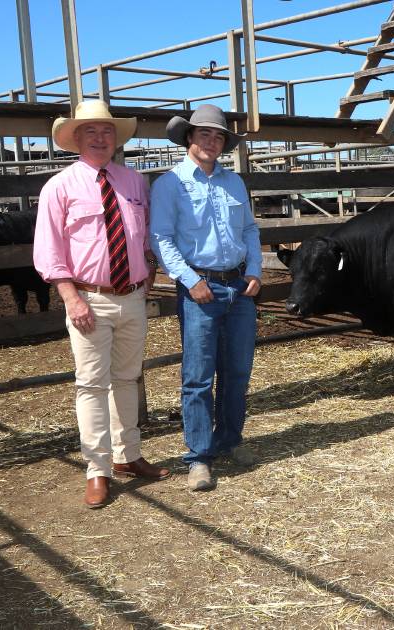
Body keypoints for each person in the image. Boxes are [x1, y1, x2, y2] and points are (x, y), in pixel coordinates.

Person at [34, 100, 169, 509]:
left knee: (128, 377)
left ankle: (128, 455)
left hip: (131, 296)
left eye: (106, 130)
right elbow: (48, 249)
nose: (99, 137)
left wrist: (148, 273)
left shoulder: (134, 183)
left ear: (116, 137)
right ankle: (97, 469)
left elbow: (144, 238)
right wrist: (70, 296)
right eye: (90, 131)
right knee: (92, 384)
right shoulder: (59, 186)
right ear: (75, 138)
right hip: (88, 298)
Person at [150, 104, 263, 492]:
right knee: (198, 377)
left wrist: (255, 271)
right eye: (205, 135)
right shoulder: (170, 184)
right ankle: (199, 457)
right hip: (201, 289)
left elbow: (249, 229)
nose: (212, 142)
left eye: (218, 137)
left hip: (238, 287)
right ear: (189, 138)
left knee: (236, 371)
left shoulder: (234, 182)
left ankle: (230, 440)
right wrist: (189, 279)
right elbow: (161, 238)